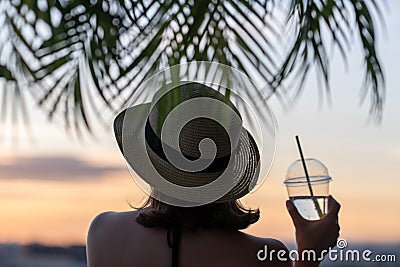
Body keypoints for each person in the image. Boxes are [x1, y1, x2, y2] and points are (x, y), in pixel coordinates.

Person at [86, 82, 340, 267]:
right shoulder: (264, 256)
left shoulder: (103, 232)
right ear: (229, 174)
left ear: (151, 165)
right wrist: (310, 253)